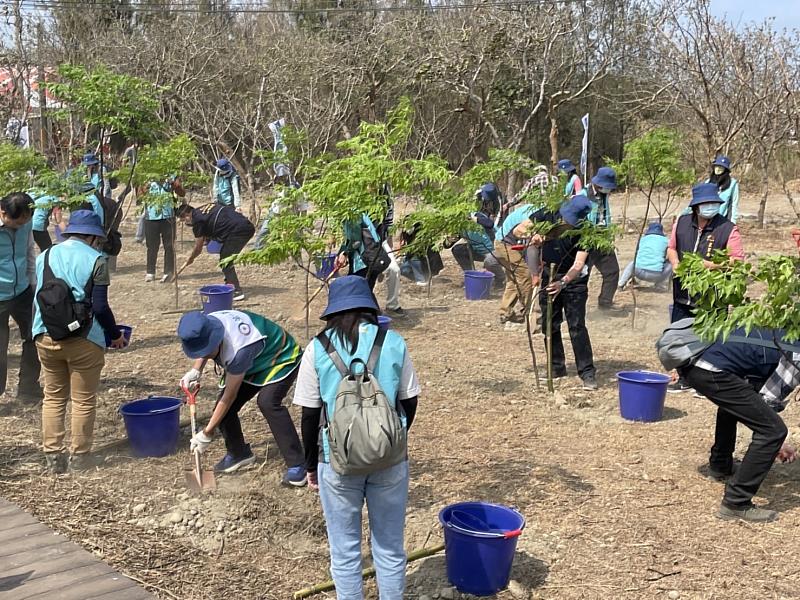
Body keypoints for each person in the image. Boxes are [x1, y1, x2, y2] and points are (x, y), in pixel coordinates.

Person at [292, 275, 420, 597]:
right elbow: (409, 401)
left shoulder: (317, 348)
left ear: (333, 311)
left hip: (337, 461)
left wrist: (311, 465)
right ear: (369, 308)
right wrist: (389, 441)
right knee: (390, 548)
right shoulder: (393, 342)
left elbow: (309, 415)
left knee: (345, 551)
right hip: (389, 460)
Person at [32, 210, 126, 473]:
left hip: (45, 334)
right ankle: (80, 457)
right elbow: (100, 307)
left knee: (53, 397)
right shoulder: (97, 260)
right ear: (92, 236)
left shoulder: (45, 255)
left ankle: (53, 457)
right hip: (84, 339)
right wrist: (115, 334)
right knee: (83, 400)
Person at [676, 325, 798, 522]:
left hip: (695, 363)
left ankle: (720, 465)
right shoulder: (796, 352)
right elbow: (769, 400)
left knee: (735, 402)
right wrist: (778, 444)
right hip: (709, 370)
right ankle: (736, 502)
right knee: (773, 431)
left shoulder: (785, 331)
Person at [178, 309, 307, 485]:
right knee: (222, 411)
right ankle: (239, 453)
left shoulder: (238, 350)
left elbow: (230, 396)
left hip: (280, 356)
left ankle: (298, 465)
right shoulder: (208, 323)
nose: (205, 354)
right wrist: (196, 370)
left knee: (268, 403)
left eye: (207, 350)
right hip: (253, 362)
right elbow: (204, 347)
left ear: (216, 338)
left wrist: (207, 433)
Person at [667, 182, 744, 393]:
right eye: (705, 203)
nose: (710, 207)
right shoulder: (682, 223)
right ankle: (684, 378)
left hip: (712, 298)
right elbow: (672, 249)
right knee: (681, 337)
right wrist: (676, 264)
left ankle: (707, 385)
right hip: (683, 294)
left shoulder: (727, 228)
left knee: (710, 341)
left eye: (713, 203)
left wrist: (712, 266)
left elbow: (737, 262)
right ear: (696, 206)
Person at [526, 195, 598, 389]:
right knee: (550, 325)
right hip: (549, 274)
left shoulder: (586, 231)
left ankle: (587, 372)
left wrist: (563, 283)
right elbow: (520, 228)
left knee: (576, 326)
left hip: (573, 281)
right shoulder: (549, 213)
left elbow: (578, 264)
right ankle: (556, 366)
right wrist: (534, 235)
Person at [0, 193, 42, 403]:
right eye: (17, 222)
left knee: (35, 336)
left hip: (23, 291)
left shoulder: (26, 220)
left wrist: (33, 283)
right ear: (3, 213)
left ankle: (28, 388)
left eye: (25, 221)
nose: (21, 226)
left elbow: (29, 251)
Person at [176, 203, 256, 301]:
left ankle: (236, 291)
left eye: (184, 220)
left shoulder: (197, 221)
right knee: (225, 256)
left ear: (187, 216)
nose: (185, 223)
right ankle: (229, 283)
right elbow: (214, 221)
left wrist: (191, 258)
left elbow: (198, 247)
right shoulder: (204, 208)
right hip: (245, 224)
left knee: (225, 259)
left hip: (239, 230)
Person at [449, 184, 505, 289]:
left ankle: (501, 278)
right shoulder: (459, 226)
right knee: (458, 250)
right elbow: (448, 245)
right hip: (477, 250)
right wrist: (448, 240)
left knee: (489, 261)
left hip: (492, 249)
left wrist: (475, 219)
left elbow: (490, 224)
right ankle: (471, 275)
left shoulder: (476, 216)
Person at [581, 166, 620, 310]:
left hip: (603, 239)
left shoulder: (604, 196)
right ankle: (577, 307)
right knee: (582, 275)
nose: (608, 190)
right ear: (598, 183)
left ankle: (605, 303)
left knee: (612, 271)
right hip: (586, 240)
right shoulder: (583, 195)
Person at [494, 200, 535, 324]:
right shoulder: (534, 214)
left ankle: (505, 312)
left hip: (500, 243)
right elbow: (522, 231)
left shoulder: (531, 208)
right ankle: (528, 312)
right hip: (505, 245)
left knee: (513, 279)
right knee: (525, 275)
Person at [144, 177, 184, 283]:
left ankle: (168, 272)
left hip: (168, 217)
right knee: (152, 246)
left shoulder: (172, 175)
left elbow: (182, 193)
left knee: (169, 246)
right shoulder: (146, 175)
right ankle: (150, 272)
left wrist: (173, 184)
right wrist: (145, 187)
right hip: (151, 217)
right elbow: (139, 196)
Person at [618, 222, 672, 292]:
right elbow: (669, 254)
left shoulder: (642, 239)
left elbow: (638, 254)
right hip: (656, 275)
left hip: (639, 272)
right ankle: (659, 284)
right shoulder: (666, 241)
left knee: (632, 264)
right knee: (671, 265)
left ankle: (621, 284)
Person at [708, 155, 740, 224]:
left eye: (721, 167)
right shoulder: (708, 182)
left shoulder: (733, 184)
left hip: (722, 221)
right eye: (716, 166)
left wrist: (732, 223)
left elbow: (734, 205)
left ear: (726, 170)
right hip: (706, 219)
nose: (718, 169)